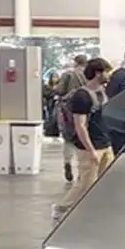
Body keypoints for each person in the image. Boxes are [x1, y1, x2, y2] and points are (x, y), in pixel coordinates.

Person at [53, 56, 113, 222]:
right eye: (106, 72)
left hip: (105, 143)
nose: (108, 75)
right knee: (85, 183)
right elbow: (80, 125)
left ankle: (93, 210)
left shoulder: (103, 92)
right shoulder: (82, 96)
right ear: (97, 73)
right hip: (89, 147)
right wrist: (90, 149)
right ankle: (61, 208)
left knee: (103, 181)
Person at [54, 55, 89, 184]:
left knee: (68, 139)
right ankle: (81, 169)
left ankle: (67, 163)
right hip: (84, 110)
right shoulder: (88, 75)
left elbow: (59, 90)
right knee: (82, 138)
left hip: (67, 111)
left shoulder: (68, 75)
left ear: (75, 62)